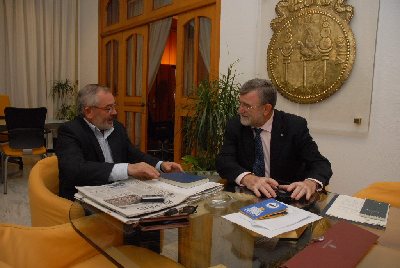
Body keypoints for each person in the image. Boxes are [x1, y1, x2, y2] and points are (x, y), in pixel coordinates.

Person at [56, 84, 183, 201]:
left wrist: (161, 165)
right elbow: (75, 170)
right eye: (108, 108)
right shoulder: (70, 131)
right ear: (89, 111)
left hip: (117, 192)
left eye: (114, 106)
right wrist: (128, 169)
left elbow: (133, 154)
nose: (115, 112)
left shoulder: (117, 128)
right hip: (84, 199)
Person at [216, 78, 332, 201]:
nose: (240, 110)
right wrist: (248, 179)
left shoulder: (294, 126)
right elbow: (224, 161)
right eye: (240, 103)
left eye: (247, 106)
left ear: (266, 109)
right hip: (246, 197)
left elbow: (320, 164)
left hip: (286, 198)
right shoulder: (235, 125)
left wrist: (310, 183)